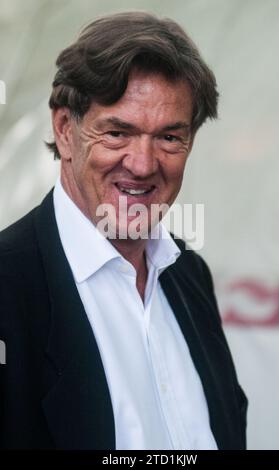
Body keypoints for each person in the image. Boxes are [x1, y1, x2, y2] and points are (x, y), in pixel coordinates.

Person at [0, 11, 247, 450]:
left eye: (170, 137)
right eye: (117, 132)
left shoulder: (189, 275)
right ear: (65, 130)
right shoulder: (9, 285)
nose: (143, 164)